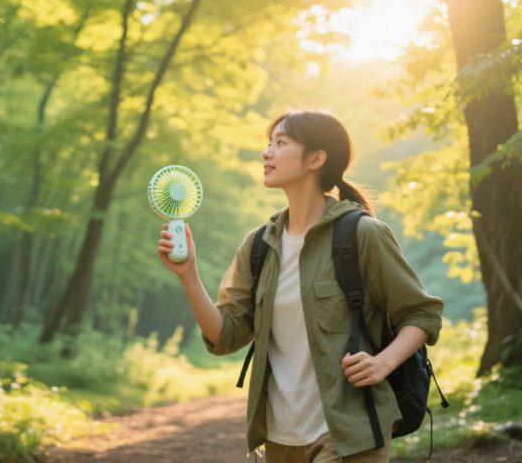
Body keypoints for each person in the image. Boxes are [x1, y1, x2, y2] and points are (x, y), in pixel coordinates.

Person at [157, 109, 443, 462]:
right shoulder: (259, 245)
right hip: (279, 438)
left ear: (316, 158)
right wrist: (188, 275)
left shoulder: (362, 233)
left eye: (281, 143)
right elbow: (224, 335)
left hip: (349, 434)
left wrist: (383, 363)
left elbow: (422, 314)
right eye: (268, 143)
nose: (267, 152)